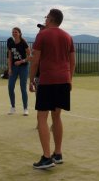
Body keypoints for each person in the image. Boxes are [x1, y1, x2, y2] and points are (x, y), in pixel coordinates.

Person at [28, 9, 75, 169]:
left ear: (51, 19)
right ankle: (58, 153)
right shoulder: (68, 36)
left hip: (48, 81)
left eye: (46, 17)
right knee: (57, 117)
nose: (45, 19)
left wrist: (31, 79)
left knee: (42, 117)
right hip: (63, 80)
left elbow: (35, 61)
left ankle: (47, 157)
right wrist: (69, 79)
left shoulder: (42, 35)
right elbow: (72, 61)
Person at [7, 27, 31, 115]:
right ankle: (13, 107)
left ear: (20, 33)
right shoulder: (10, 42)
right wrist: (9, 68)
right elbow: (9, 57)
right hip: (13, 67)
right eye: (13, 32)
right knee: (10, 87)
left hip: (23, 67)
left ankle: (25, 108)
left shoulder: (23, 42)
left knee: (23, 87)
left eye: (16, 32)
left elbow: (30, 56)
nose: (14, 33)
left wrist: (21, 61)